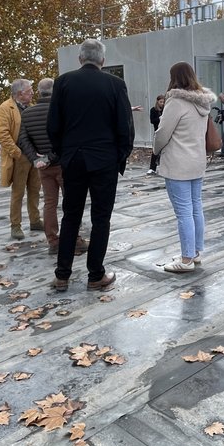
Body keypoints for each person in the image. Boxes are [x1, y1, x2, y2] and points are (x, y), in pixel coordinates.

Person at [47, 39, 134, 292]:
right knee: (101, 218)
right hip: (104, 161)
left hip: (73, 159)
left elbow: (53, 125)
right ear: (102, 60)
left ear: (80, 58)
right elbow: (125, 126)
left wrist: (63, 153)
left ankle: (62, 275)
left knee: (71, 216)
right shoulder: (115, 84)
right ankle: (96, 275)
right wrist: (119, 156)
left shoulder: (63, 82)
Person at [153, 63, 213, 273]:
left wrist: (155, 150)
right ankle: (194, 253)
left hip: (178, 163)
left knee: (184, 212)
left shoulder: (176, 101)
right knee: (195, 207)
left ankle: (186, 260)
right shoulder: (203, 102)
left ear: (174, 78)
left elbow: (163, 133)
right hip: (197, 161)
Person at [18, 78, 88, 257]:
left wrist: (36, 159)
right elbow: (68, 140)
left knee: (49, 203)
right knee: (71, 203)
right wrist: (50, 157)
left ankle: (53, 241)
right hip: (65, 165)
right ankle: (75, 240)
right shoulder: (63, 110)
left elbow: (23, 140)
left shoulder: (27, 113)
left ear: (39, 92)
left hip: (43, 167)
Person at [0, 79, 42, 241]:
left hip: (34, 155)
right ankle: (15, 225)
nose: (32, 93)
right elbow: (2, 134)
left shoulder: (30, 107)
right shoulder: (5, 108)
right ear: (20, 94)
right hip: (20, 157)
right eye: (29, 91)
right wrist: (17, 153)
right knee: (18, 192)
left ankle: (35, 220)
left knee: (35, 189)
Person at [147, 94, 165, 175]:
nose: (162, 104)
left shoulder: (165, 109)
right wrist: (159, 118)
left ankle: (163, 166)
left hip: (165, 131)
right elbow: (152, 121)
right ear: (157, 102)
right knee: (155, 150)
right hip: (157, 131)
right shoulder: (153, 110)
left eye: (163, 102)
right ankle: (152, 168)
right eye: (161, 102)